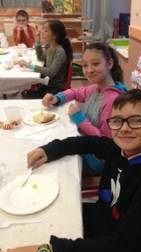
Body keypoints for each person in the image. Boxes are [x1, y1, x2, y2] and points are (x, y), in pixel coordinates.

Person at [0, 89, 141, 252]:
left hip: (111, 251)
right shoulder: (123, 149)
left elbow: (126, 250)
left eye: (136, 121)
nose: (124, 129)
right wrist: (49, 150)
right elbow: (89, 142)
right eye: (117, 121)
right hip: (102, 221)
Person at [42, 42, 127, 174]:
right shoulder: (96, 87)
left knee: (52, 167)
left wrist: (79, 118)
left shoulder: (112, 100)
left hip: (97, 159)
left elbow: (106, 142)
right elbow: (76, 92)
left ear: (109, 64)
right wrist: (58, 98)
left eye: (95, 64)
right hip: (84, 142)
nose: (89, 70)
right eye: (85, 65)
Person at [17, 19, 73, 98]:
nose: (42, 33)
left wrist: (29, 65)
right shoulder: (49, 46)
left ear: (54, 35)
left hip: (55, 88)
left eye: (46, 31)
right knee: (24, 92)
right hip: (48, 83)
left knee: (25, 95)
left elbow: (50, 72)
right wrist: (37, 41)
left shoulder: (60, 51)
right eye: (42, 30)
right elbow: (40, 58)